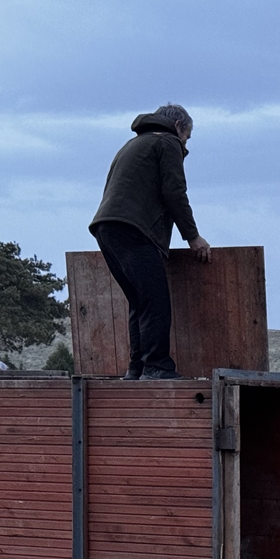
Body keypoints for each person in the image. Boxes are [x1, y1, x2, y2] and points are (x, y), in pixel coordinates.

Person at [90, 103, 211, 380]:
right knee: (155, 301)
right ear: (179, 126)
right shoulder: (167, 142)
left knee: (140, 301)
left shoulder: (132, 144)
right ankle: (157, 366)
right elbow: (174, 192)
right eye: (187, 138)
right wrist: (193, 237)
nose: (185, 146)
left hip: (106, 228)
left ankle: (137, 367)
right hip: (134, 229)